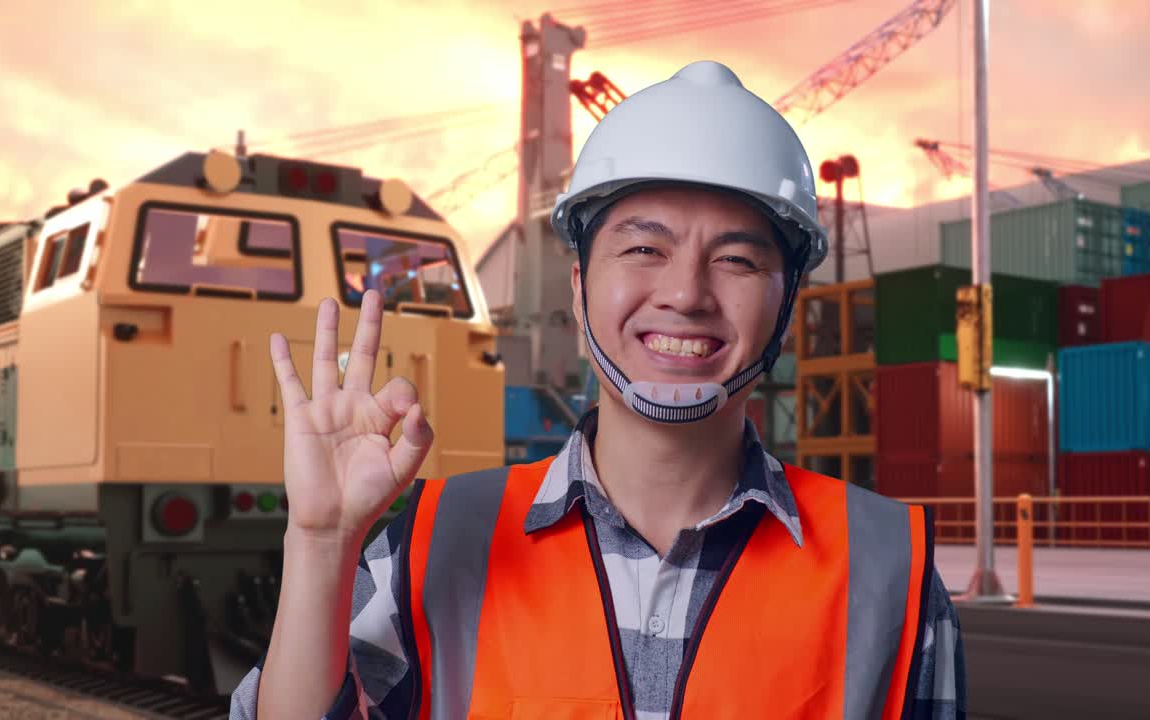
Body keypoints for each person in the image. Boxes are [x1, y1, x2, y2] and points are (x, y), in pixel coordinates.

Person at [232, 60, 965, 720]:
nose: (685, 292)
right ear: (580, 287)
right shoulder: (438, 541)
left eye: (737, 260)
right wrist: (321, 544)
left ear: (786, 301)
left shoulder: (886, 568)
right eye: (645, 248)